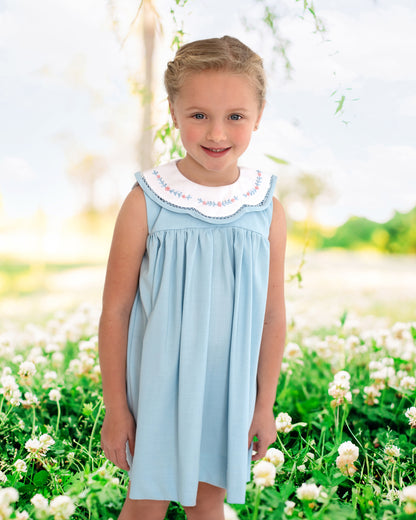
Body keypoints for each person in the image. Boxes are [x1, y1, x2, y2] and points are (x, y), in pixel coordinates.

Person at [99, 35, 287, 520]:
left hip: (229, 392)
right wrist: (117, 408)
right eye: (199, 114)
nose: (217, 131)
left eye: (236, 116)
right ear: (174, 111)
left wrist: (263, 405)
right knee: (145, 504)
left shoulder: (267, 208)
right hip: (158, 393)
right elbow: (116, 311)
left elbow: (271, 315)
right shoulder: (147, 200)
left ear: (259, 114)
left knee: (209, 504)